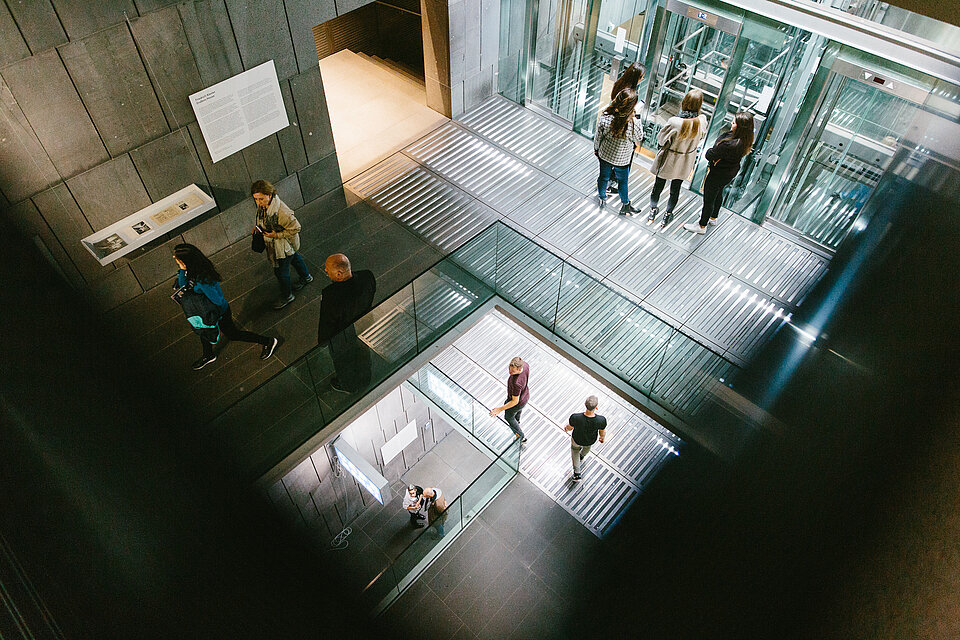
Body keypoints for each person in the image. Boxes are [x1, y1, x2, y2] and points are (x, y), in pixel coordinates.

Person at [172, 243, 279, 371]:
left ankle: (268, 341)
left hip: (218, 312)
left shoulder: (203, 279)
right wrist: (182, 270)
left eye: (178, 258)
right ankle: (208, 355)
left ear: (187, 260)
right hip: (208, 312)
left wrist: (210, 314)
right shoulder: (194, 269)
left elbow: (217, 300)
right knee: (204, 333)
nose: (174, 258)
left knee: (233, 334)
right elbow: (184, 286)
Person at [684, 112, 755, 234]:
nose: (731, 124)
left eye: (733, 123)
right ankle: (713, 217)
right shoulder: (745, 140)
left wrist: (713, 150)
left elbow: (709, 154)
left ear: (739, 127)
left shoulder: (730, 144)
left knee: (709, 198)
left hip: (718, 173)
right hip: (729, 172)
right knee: (718, 194)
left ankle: (702, 225)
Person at [647, 88, 708, 227]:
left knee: (658, 186)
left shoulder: (675, 121)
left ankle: (652, 210)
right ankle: (667, 215)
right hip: (686, 159)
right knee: (675, 189)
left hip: (669, 158)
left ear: (684, 102)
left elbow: (661, 139)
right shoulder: (702, 120)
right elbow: (702, 137)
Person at [317, 254, 377, 393]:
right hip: (364, 326)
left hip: (343, 336)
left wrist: (323, 341)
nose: (325, 270)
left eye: (327, 269)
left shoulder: (330, 295)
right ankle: (364, 377)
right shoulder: (367, 276)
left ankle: (349, 385)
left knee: (344, 362)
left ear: (339, 273)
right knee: (363, 355)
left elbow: (327, 322)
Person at [251, 179, 313, 310]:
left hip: (283, 247)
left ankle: (288, 296)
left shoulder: (282, 212)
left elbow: (296, 228)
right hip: (283, 245)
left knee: (281, 272)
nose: (258, 202)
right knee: (295, 258)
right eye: (256, 199)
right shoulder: (265, 206)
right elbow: (264, 220)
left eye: (261, 199)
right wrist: (259, 227)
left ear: (270, 194)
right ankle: (306, 277)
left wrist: (276, 235)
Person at [594, 88, 643, 216]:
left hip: (605, 154)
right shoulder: (633, 123)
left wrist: (596, 149)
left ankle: (602, 197)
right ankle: (625, 204)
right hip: (622, 158)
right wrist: (637, 118)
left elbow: (599, 136)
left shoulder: (606, 117)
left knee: (603, 177)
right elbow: (639, 138)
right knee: (623, 182)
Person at [606, 62, 645, 197]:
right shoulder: (631, 93)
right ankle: (611, 183)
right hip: (624, 126)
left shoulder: (619, 85)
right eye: (641, 77)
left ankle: (608, 182)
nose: (642, 79)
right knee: (624, 158)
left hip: (615, 125)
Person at [563, 395, 607, 481]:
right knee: (587, 448)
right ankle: (582, 455)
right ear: (596, 407)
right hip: (590, 440)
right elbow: (602, 431)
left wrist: (566, 429)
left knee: (575, 451)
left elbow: (570, 427)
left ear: (585, 404)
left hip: (577, 439)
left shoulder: (575, 417)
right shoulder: (601, 420)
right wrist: (602, 437)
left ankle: (577, 474)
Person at [489, 356, 530, 443]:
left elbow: (515, 401)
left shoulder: (516, 383)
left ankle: (521, 437)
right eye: (509, 368)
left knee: (509, 417)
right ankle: (517, 422)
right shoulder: (525, 366)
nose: (510, 372)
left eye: (513, 371)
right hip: (525, 395)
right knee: (517, 413)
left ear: (519, 369)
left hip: (517, 402)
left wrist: (499, 409)